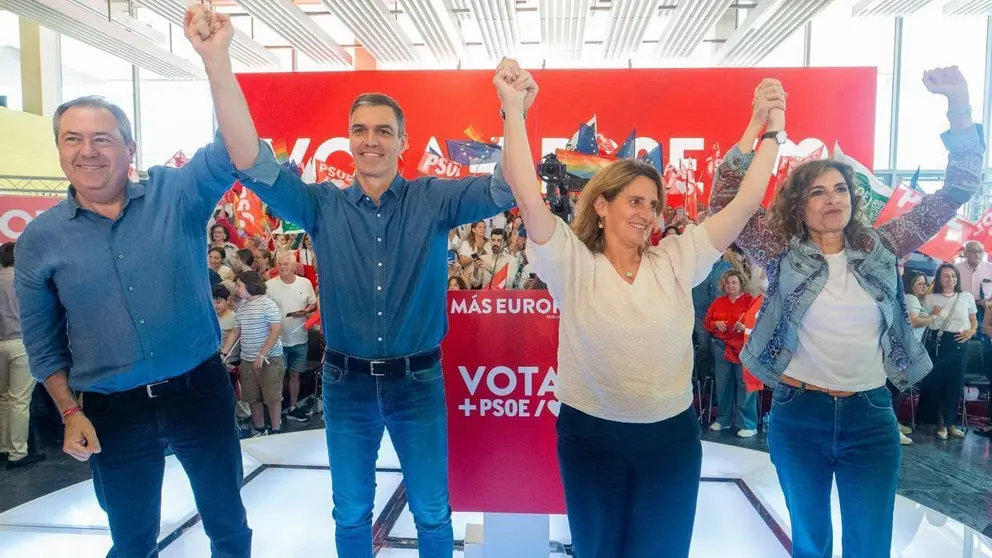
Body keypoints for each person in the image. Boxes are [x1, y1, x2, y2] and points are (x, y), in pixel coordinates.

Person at [184, 6, 535, 556]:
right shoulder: (320, 205)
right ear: (348, 138)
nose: (370, 140)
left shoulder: (431, 200)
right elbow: (250, 159)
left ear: (403, 140)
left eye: (383, 131)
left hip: (417, 382)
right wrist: (218, 62)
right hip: (346, 385)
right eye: (360, 130)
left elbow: (507, 186)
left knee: (433, 514)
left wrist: (513, 111)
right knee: (349, 513)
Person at [502, 63, 786, 554]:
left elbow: (741, 207)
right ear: (601, 205)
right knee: (597, 550)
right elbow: (527, 195)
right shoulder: (571, 261)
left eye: (652, 205)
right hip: (590, 437)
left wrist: (768, 130)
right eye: (634, 201)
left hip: (670, 442)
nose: (645, 213)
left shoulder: (677, 258)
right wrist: (511, 109)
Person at [709, 66, 984, 558]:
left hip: (870, 415)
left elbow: (960, 187)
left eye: (839, 189)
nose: (831, 198)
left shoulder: (884, 243)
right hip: (799, 414)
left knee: (869, 543)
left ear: (853, 198)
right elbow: (723, 206)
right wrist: (757, 126)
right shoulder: (779, 248)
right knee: (810, 542)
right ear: (798, 205)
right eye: (817, 191)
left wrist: (958, 105)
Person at [14, 96, 255, 557]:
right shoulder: (40, 240)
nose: (88, 151)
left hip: (198, 393)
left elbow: (234, 147)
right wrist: (68, 411)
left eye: (102, 139)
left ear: (130, 148)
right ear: (60, 150)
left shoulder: (176, 196)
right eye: (73, 139)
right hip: (113, 412)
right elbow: (42, 344)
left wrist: (214, 59)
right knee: (130, 540)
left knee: (227, 523)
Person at [222, 271, 285, 436]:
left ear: (250, 286)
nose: (236, 288)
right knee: (252, 397)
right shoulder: (242, 305)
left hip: (269, 358)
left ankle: (276, 429)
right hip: (247, 359)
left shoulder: (268, 304)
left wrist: (262, 354)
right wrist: (223, 354)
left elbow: (275, 330)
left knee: (272, 397)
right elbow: (235, 332)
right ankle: (259, 428)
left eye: (239, 285)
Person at [0, 241, 46, 469]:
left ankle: (3, 448)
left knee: (3, 399)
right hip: (21, 344)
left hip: (0, 344)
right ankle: (18, 453)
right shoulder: (24, 280)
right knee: (19, 400)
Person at [918, 263, 976, 440]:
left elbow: (973, 320)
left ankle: (951, 422)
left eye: (953, 276)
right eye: (946, 276)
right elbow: (922, 322)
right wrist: (933, 314)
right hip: (939, 343)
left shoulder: (966, 297)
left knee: (955, 384)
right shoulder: (931, 298)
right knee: (938, 384)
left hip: (960, 342)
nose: (950, 279)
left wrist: (971, 332)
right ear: (939, 278)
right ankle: (940, 423)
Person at [704, 269, 758, 437]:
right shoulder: (718, 302)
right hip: (722, 347)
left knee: (745, 386)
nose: (730, 285)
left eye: (734, 282)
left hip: (744, 349)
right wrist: (715, 323)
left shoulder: (752, 301)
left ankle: (748, 424)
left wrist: (745, 327)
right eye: (727, 283)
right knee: (723, 384)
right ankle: (723, 420)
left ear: (741, 283)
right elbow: (707, 322)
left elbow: (761, 324)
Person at [266, 251, 317, 422]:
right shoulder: (270, 285)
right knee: (278, 376)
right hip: (277, 340)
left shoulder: (305, 283)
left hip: (299, 337)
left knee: (295, 374)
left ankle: (293, 407)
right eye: (279, 264)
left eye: (285, 264)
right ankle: (277, 410)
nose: (281, 267)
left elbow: (313, 303)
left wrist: (306, 311)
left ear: (294, 266)